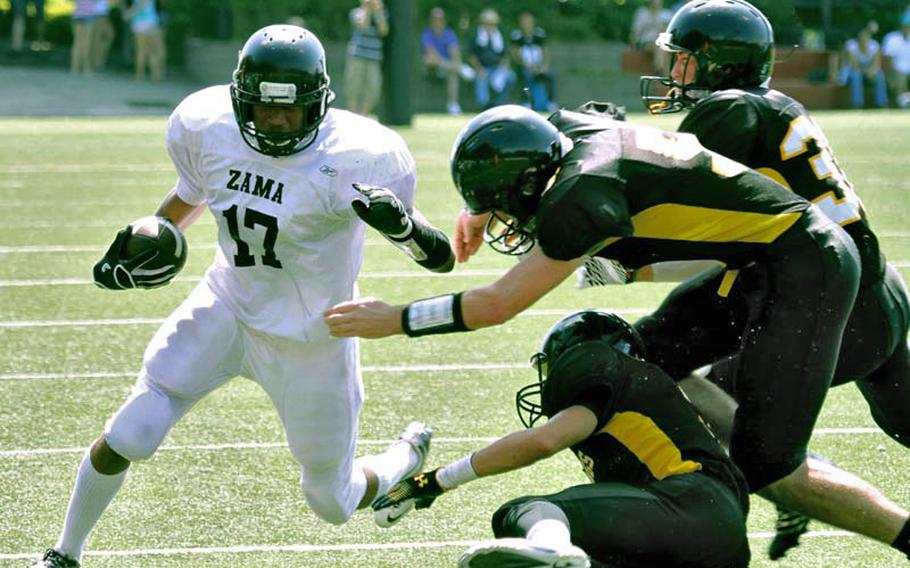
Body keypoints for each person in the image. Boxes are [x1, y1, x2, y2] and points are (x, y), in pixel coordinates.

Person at [30, 24, 456, 568]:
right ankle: (65, 553)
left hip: (312, 335)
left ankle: (403, 455)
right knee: (130, 432)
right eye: (263, 110)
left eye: (291, 111)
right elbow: (191, 196)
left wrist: (405, 230)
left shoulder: (362, 155)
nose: (276, 122)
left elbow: (438, 258)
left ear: (319, 106)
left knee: (333, 501)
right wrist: (148, 242)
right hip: (227, 305)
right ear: (239, 101)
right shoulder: (207, 125)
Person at [639, 0, 910, 559]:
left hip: (831, 304)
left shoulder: (727, 114)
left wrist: (615, 258)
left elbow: (693, 230)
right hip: (878, 287)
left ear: (720, 62)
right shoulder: (773, 105)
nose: (674, 72)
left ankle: (801, 484)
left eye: (685, 59)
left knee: (743, 438)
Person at [372, 310, 750, 568]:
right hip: (716, 536)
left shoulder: (605, 369)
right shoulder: (643, 397)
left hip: (688, 504)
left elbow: (542, 442)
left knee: (522, 513)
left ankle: (552, 547)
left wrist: (436, 480)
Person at [421, 6, 471, 115]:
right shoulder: (426, 34)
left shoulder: (449, 34)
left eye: (440, 19)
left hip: (446, 67)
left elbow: (455, 53)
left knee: (452, 73)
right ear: (431, 20)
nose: (437, 21)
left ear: (443, 20)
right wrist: (451, 64)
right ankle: (461, 69)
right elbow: (431, 53)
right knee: (429, 59)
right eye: (435, 19)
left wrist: (452, 63)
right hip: (432, 68)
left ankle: (452, 105)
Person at [345, 0, 388, 115]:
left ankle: (364, 115)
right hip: (357, 56)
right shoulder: (356, 12)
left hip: (374, 57)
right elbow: (363, 26)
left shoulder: (381, 14)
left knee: (373, 90)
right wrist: (368, 9)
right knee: (354, 88)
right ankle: (353, 116)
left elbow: (384, 30)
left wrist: (378, 12)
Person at [467, 8, 515, 110]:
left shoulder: (499, 35)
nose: (490, 26)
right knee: (481, 79)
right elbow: (471, 55)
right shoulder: (476, 35)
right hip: (481, 68)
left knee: (510, 77)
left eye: (492, 23)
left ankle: (499, 103)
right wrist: (479, 69)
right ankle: (483, 107)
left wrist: (503, 68)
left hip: (497, 68)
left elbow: (505, 55)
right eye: (487, 23)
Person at [509, 12, 556, 112]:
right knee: (526, 76)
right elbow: (515, 55)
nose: (527, 24)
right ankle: (526, 102)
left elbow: (545, 52)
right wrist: (528, 66)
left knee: (551, 76)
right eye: (524, 22)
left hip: (539, 66)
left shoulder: (539, 34)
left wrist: (543, 66)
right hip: (524, 67)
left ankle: (550, 102)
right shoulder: (516, 36)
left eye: (529, 22)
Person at [842, 23, 889, 108]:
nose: (864, 38)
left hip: (868, 71)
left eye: (867, 35)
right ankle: (857, 104)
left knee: (879, 75)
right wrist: (866, 71)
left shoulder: (874, 45)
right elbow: (854, 65)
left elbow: (876, 64)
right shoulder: (850, 45)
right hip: (851, 72)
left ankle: (882, 103)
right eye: (862, 35)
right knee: (856, 75)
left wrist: (872, 72)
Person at [123, 0, 164, 81]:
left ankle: (139, 75)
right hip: (150, 22)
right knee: (152, 50)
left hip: (138, 22)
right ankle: (155, 75)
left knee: (141, 50)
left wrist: (129, 13)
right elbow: (143, 3)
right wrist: (129, 13)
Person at [629, 0, 672, 74]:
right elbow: (635, 32)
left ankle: (661, 70)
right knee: (660, 46)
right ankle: (660, 69)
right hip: (646, 43)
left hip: (662, 42)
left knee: (663, 47)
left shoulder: (666, 14)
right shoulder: (642, 13)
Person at [883, 13, 910, 107]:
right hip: (896, 71)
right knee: (900, 76)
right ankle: (902, 104)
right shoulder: (892, 38)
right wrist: (890, 75)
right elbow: (888, 61)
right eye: (906, 26)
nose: (907, 28)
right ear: (901, 26)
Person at [70, 0, 98, 75]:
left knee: (77, 43)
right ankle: (86, 68)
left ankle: (74, 68)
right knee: (87, 42)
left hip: (78, 14)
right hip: (89, 14)